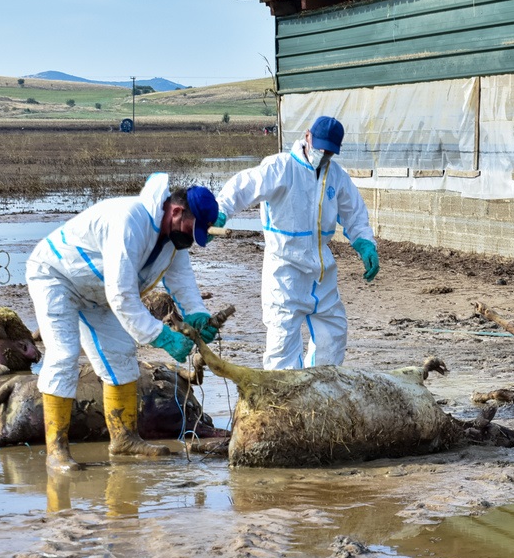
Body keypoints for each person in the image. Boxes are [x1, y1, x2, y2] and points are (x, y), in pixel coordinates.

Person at [26, 172, 220, 472]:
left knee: (121, 355)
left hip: (98, 292)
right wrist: (162, 336)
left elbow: (181, 280)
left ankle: (124, 439)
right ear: (177, 211)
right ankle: (56, 452)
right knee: (63, 354)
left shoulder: (174, 238)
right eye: (191, 230)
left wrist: (197, 313)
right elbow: (122, 294)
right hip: (57, 278)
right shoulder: (130, 220)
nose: (191, 240)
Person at [215, 115, 379, 370]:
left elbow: (354, 213)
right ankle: (284, 405)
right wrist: (221, 209)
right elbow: (243, 186)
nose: (322, 156)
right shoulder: (280, 168)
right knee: (282, 346)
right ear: (307, 137)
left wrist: (365, 243)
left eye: (329, 152)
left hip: (321, 272)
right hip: (285, 271)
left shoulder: (335, 176)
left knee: (333, 335)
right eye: (320, 148)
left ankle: (318, 389)